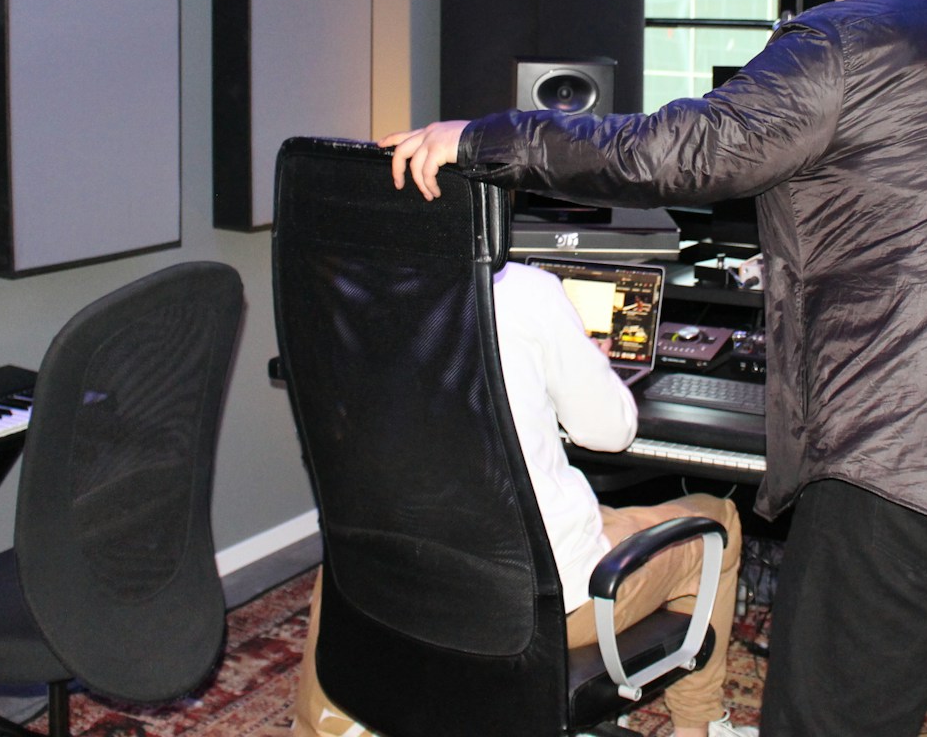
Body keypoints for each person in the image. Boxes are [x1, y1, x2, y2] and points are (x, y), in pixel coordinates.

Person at [383, 0, 927, 737]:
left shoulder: (843, 36)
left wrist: (484, 138)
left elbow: (681, 152)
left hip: (906, 451)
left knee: (833, 717)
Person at [290, 258, 752, 737]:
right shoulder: (528, 291)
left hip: (394, 587)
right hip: (533, 613)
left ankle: (326, 726)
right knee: (719, 519)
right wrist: (589, 364)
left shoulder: (347, 289)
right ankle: (700, 728)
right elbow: (610, 433)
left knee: (350, 552)